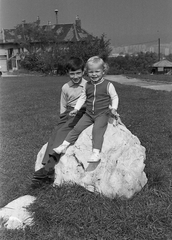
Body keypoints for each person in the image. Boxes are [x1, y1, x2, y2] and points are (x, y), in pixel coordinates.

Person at [53, 56, 119, 170]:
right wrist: (76, 109)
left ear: (103, 71)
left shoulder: (108, 85)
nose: (94, 74)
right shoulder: (87, 85)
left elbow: (115, 97)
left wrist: (114, 108)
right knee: (77, 128)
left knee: (97, 130)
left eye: (97, 71)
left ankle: (96, 153)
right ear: (87, 72)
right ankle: (64, 145)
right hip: (89, 114)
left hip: (102, 113)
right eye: (91, 72)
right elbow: (82, 98)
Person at [31, 57, 87, 188]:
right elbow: (63, 104)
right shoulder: (66, 87)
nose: (75, 76)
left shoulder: (87, 85)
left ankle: (49, 166)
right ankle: (46, 167)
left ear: (83, 72)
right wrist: (63, 116)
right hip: (69, 113)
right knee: (55, 132)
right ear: (68, 73)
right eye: (72, 73)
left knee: (63, 132)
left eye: (78, 73)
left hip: (82, 112)